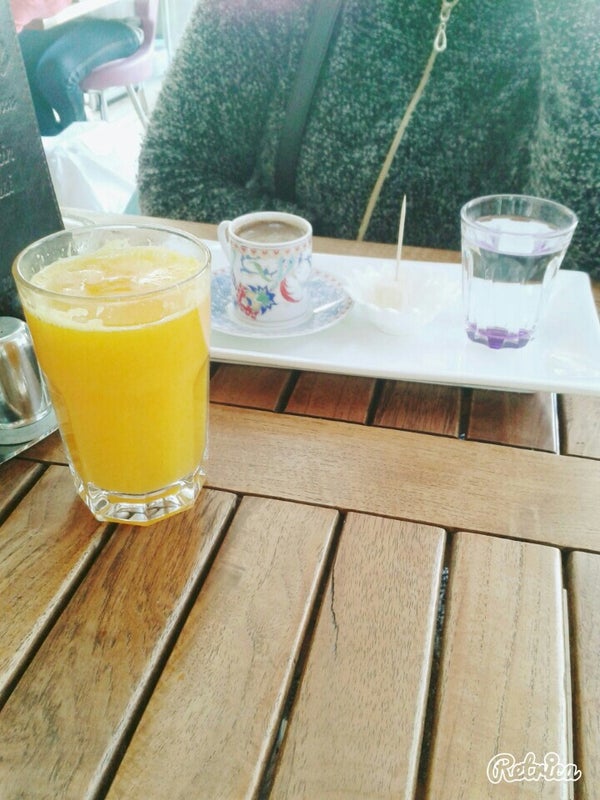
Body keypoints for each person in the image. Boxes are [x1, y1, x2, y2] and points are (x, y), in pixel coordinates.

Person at [137, 0, 599, 278]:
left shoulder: (569, 28)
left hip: (473, 366)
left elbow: (580, 260)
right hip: (270, 335)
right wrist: (316, 257)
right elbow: (172, 174)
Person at [11, 0, 143, 135]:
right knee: (17, 54)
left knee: (55, 69)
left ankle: (80, 139)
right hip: (74, 21)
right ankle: (48, 138)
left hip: (120, 24)